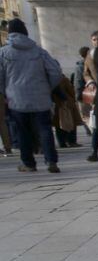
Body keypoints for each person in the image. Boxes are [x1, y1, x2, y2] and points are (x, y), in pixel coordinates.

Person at [0, 19, 62, 172]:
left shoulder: (3, 52)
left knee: (22, 131)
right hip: (40, 96)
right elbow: (55, 71)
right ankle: (51, 161)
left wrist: (4, 92)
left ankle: (28, 163)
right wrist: (48, 87)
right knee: (45, 129)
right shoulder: (39, 51)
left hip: (16, 98)